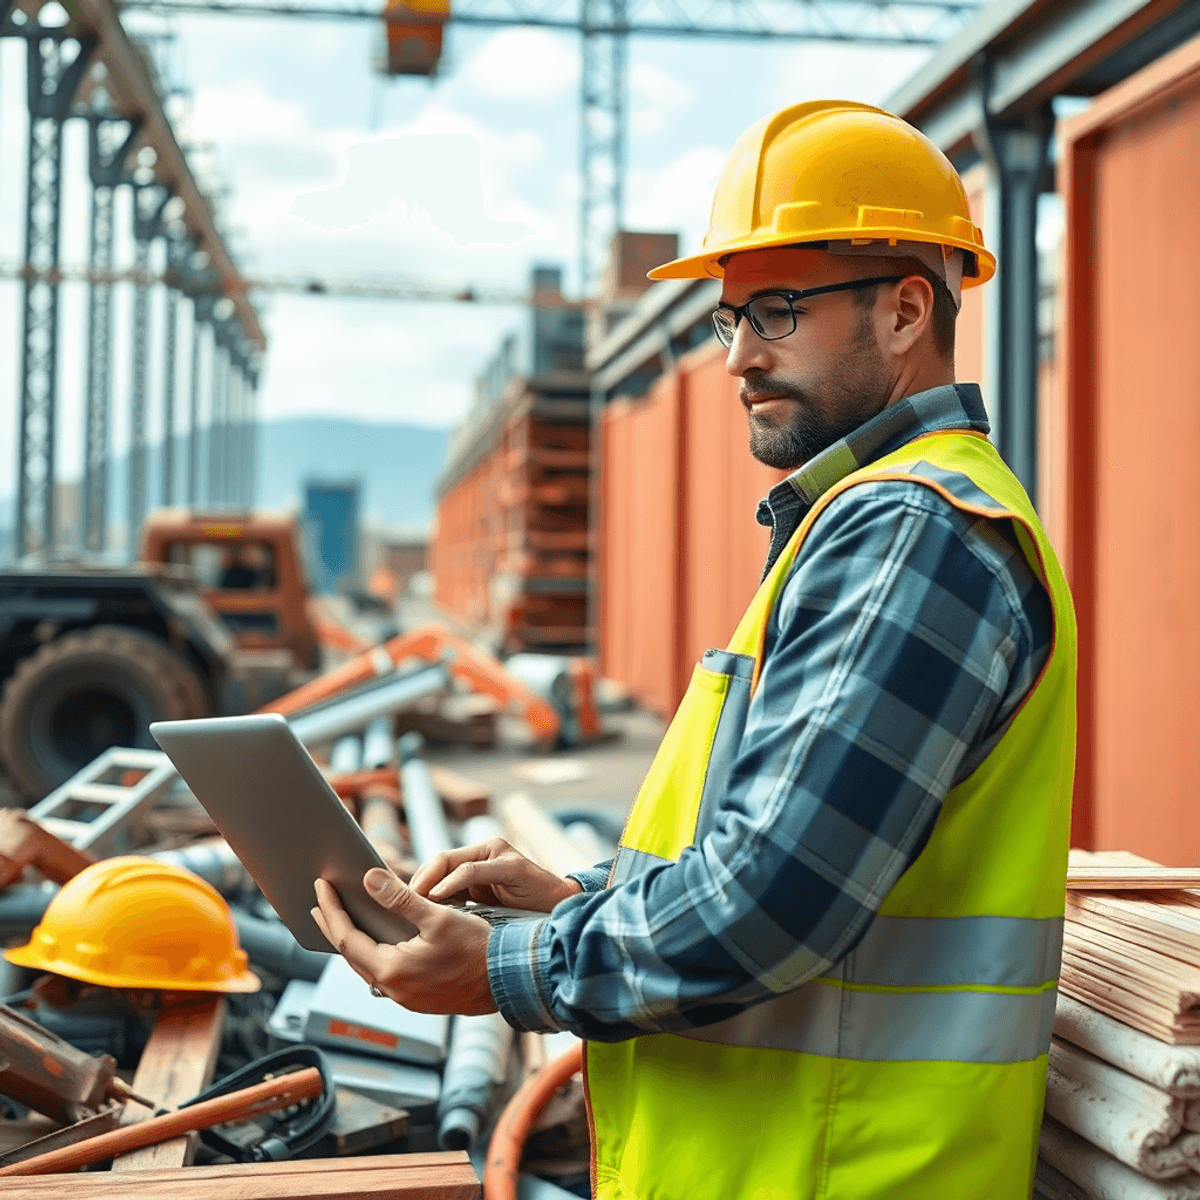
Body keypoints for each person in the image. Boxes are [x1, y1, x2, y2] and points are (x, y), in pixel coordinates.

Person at [313, 99, 1077, 1199]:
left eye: (776, 311)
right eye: (730, 320)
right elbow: (761, 844)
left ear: (908, 309)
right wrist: (578, 897)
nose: (739, 359)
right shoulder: (863, 521)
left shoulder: (911, 532)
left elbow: (771, 903)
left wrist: (503, 965)